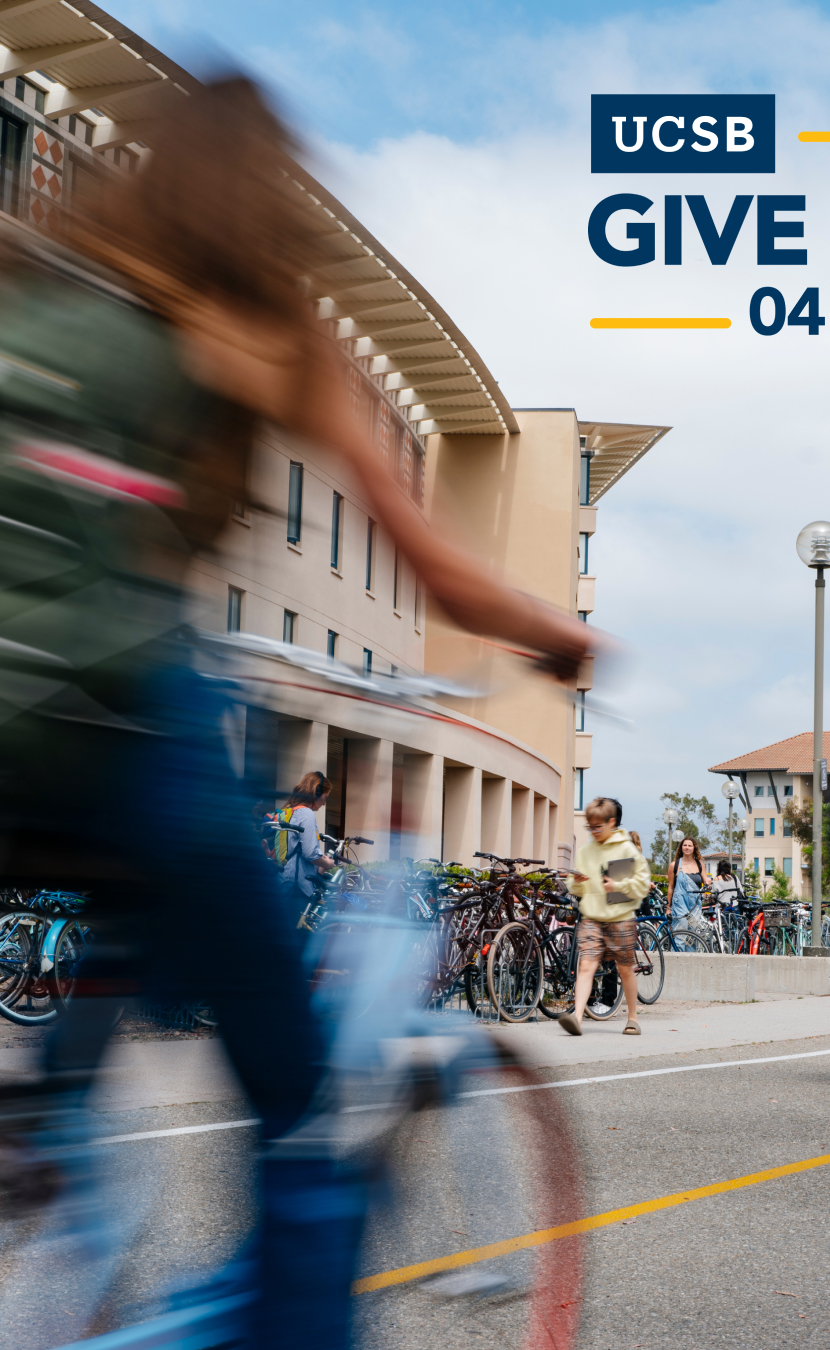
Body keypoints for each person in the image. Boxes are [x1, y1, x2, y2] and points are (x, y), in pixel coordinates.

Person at [0, 75, 593, 1350]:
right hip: (127, 720)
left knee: (106, 948)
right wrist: (563, 633)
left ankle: (42, 1157)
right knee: (307, 1104)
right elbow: (435, 567)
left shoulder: (41, 266)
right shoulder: (267, 320)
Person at [560, 797, 650, 1036]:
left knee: (625, 968)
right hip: (591, 916)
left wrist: (618, 885)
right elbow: (574, 887)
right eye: (591, 826)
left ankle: (633, 1018)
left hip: (620, 916)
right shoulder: (586, 851)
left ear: (612, 823)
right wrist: (577, 883)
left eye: (598, 826)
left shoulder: (627, 848)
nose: (594, 831)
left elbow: (642, 885)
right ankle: (577, 1018)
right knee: (586, 965)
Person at [277, 771, 336, 919]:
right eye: (325, 797)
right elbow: (310, 854)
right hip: (297, 887)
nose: (324, 802)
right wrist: (328, 863)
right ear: (316, 793)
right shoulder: (306, 814)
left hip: (282, 882)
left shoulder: (287, 811)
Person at [667, 835, 707, 946]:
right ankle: (677, 961)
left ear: (694, 848)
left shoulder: (700, 865)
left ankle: (691, 961)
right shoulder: (674, 865)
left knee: (692, 937)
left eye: (690, 845)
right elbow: (670, 887)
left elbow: (706, 879)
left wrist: (709, 882)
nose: (687, 847)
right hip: (679, 902)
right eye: (685, 845)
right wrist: (668, 907)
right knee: (680, 933)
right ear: (681, 847)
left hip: (695, 903)